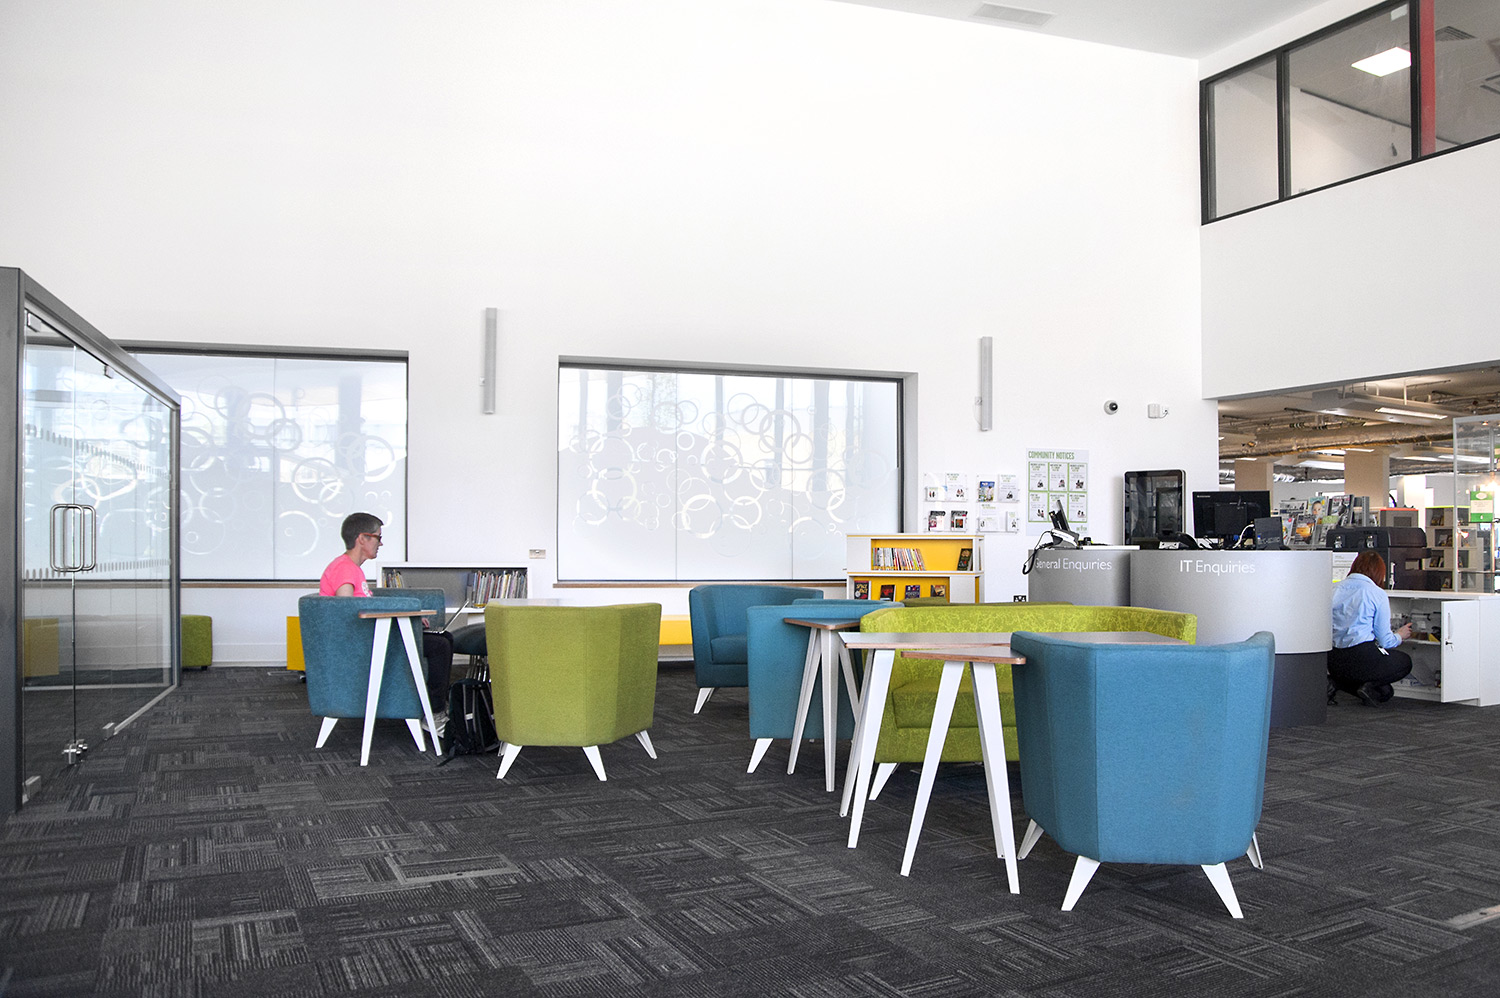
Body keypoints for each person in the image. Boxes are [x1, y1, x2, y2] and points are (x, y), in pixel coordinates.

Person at [320, 512, 453, 714]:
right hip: (359, 644)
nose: (380, 543)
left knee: (445, 637)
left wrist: (410, 615)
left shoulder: (352, 568)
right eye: (378, 537)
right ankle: (435, 713)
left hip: (368, 636)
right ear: (362, 538)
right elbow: (346, 610)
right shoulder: (344, 568)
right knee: (439, 646)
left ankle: (439, 705)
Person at [1328, 551, 1412, 706]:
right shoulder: (1376, 593)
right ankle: (1359, 686)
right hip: (1362, 657)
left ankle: (1336, 683)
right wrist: (1400, 635)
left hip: (1334, 660)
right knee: (1405, 662)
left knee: (1385, 692)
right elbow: (1386, 641)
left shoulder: (1332, 589)